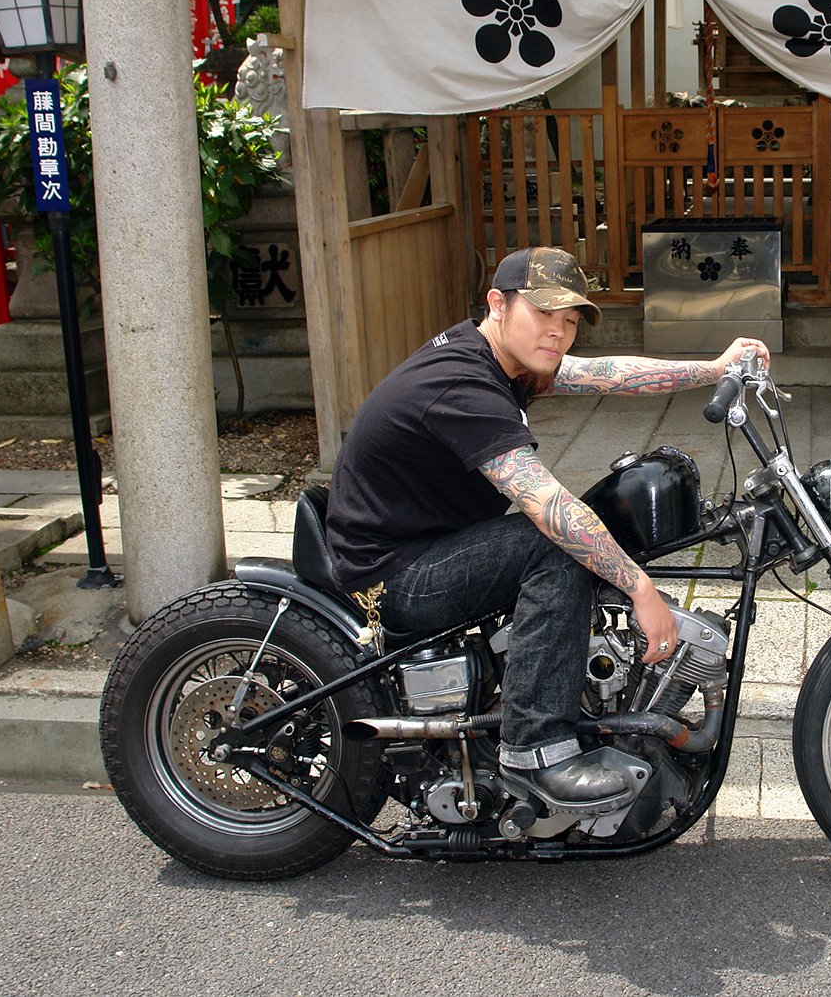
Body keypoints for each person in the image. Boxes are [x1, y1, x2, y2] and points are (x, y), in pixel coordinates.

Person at [325, 246, 768, 810]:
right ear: (498, 304)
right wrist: (640, 588)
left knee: (583, 537)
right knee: (559, 542)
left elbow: (606, 373)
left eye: (570, 320)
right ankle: (536, 752)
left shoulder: (506, 360)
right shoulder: (462, 383)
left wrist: (714, 369)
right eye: (542, 313)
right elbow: (544, 502)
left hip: (428, 544)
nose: (557, 332)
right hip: (392, 575)